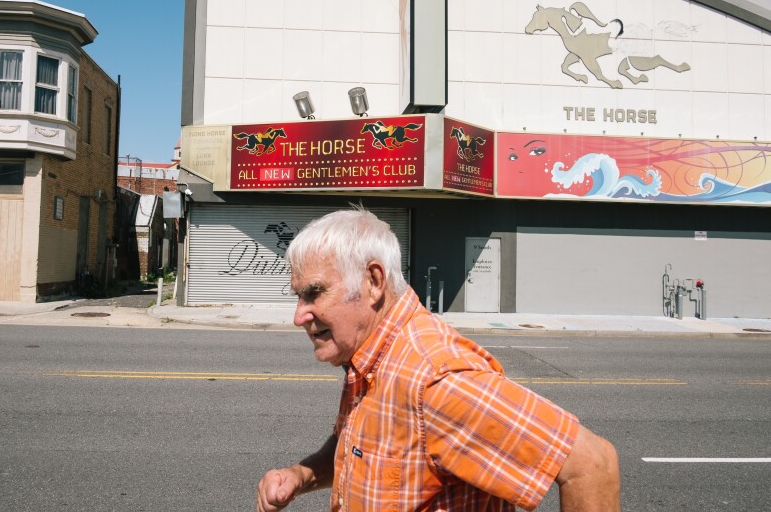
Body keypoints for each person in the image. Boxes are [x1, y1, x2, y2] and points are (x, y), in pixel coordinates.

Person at [257, 207, 620, 512]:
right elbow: (360, 449)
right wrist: (302, 475)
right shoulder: (370, 358)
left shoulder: (434, 377)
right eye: (298, 297)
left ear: (373, 281)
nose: (299, 315)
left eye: (313, 293)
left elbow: (592, 464)